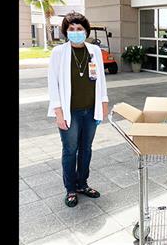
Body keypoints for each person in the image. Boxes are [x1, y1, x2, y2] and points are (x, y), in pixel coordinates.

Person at [47, 12, 109, 207]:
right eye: (71, 29)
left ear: (86, 31)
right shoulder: (59, 53)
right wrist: (58, 113)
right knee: (70, 150)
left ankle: (82, 184)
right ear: (66, 31)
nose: (75, 32)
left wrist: (104, 103)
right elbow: (53, 84)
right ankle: (71, 189)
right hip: (69, 112)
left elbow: (101, 79)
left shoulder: (94, 51)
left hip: (91, 110)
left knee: (86, 149)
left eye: (79, 29)